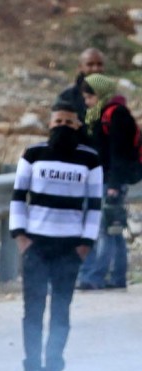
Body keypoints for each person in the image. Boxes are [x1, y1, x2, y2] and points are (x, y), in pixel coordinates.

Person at [10, 101, 102, 371]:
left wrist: (85, 243)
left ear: (78, 126)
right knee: (32, 312)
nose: (63, 126)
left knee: (61, 313)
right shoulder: (33, 154)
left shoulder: (90, 160)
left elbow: (95, 205)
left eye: (69, 122)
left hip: (69, 249)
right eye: (58, 121)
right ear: (49, 124)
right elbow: (17, 197)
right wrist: (21, 237)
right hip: (36, 245)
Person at [76, 74, 135, 291]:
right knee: (113, 229)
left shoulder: (117, 115)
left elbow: (119, 153)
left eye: (90, 97)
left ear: (99, 95)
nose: (87, 101)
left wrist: (113, 185)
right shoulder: (97, 115)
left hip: (109, 181)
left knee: (101, 229)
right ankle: (117, 276)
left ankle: (94, 277)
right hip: (102, 179)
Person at [58, 48, 105, 125]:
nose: (95, 69)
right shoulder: (67, 95)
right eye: (90, 64)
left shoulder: (112, 96)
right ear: (80, 67)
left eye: (99, 64)